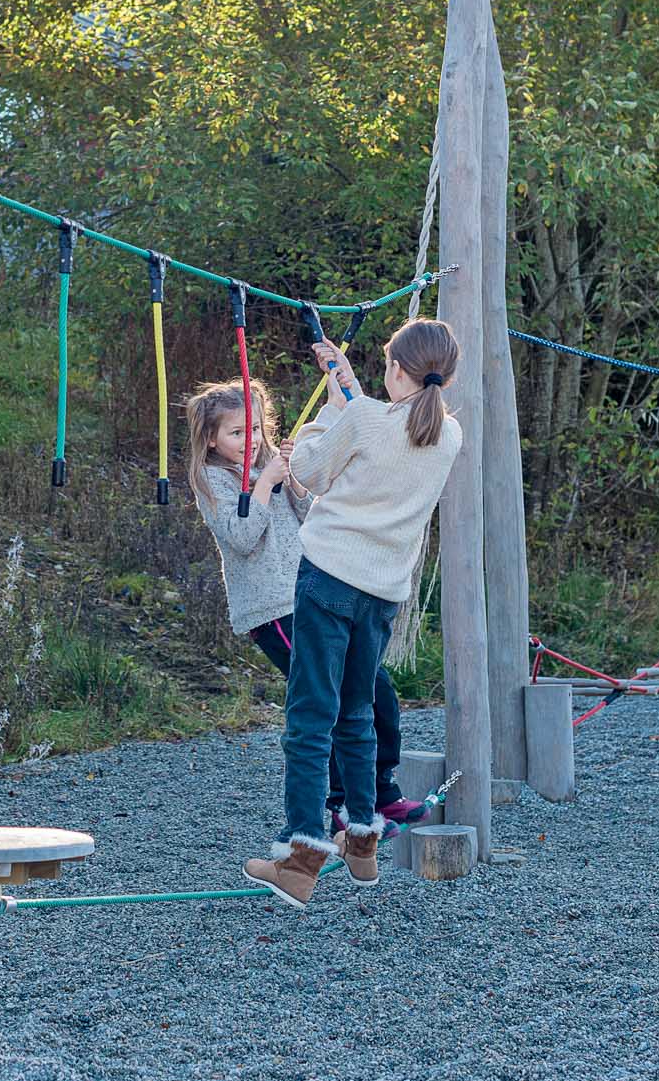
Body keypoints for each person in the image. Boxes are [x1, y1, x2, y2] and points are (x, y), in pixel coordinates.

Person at [243, 317, 463, 911]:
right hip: (382, 592)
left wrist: (329, 414)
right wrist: (346, 384)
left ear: (394, 370)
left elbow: (310, 469)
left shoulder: (363, 420)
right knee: (357, 711)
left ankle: (302, 854)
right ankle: (360, 839)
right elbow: (383, 431)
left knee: (310, 715)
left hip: (328, 579)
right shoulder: (449, 437)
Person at [185, 377, 426, 837]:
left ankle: (381, 790)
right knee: (324, 701)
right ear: (211, 439)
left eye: (255, 430)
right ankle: (339, 803)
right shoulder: (212, 481)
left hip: (313, 592)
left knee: (373, 688)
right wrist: (264, 484)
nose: (250, 441)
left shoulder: (269, 467)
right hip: (273, 608)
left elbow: (310, 513)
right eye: (237, 433)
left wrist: (292, 479)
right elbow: (241, 536)